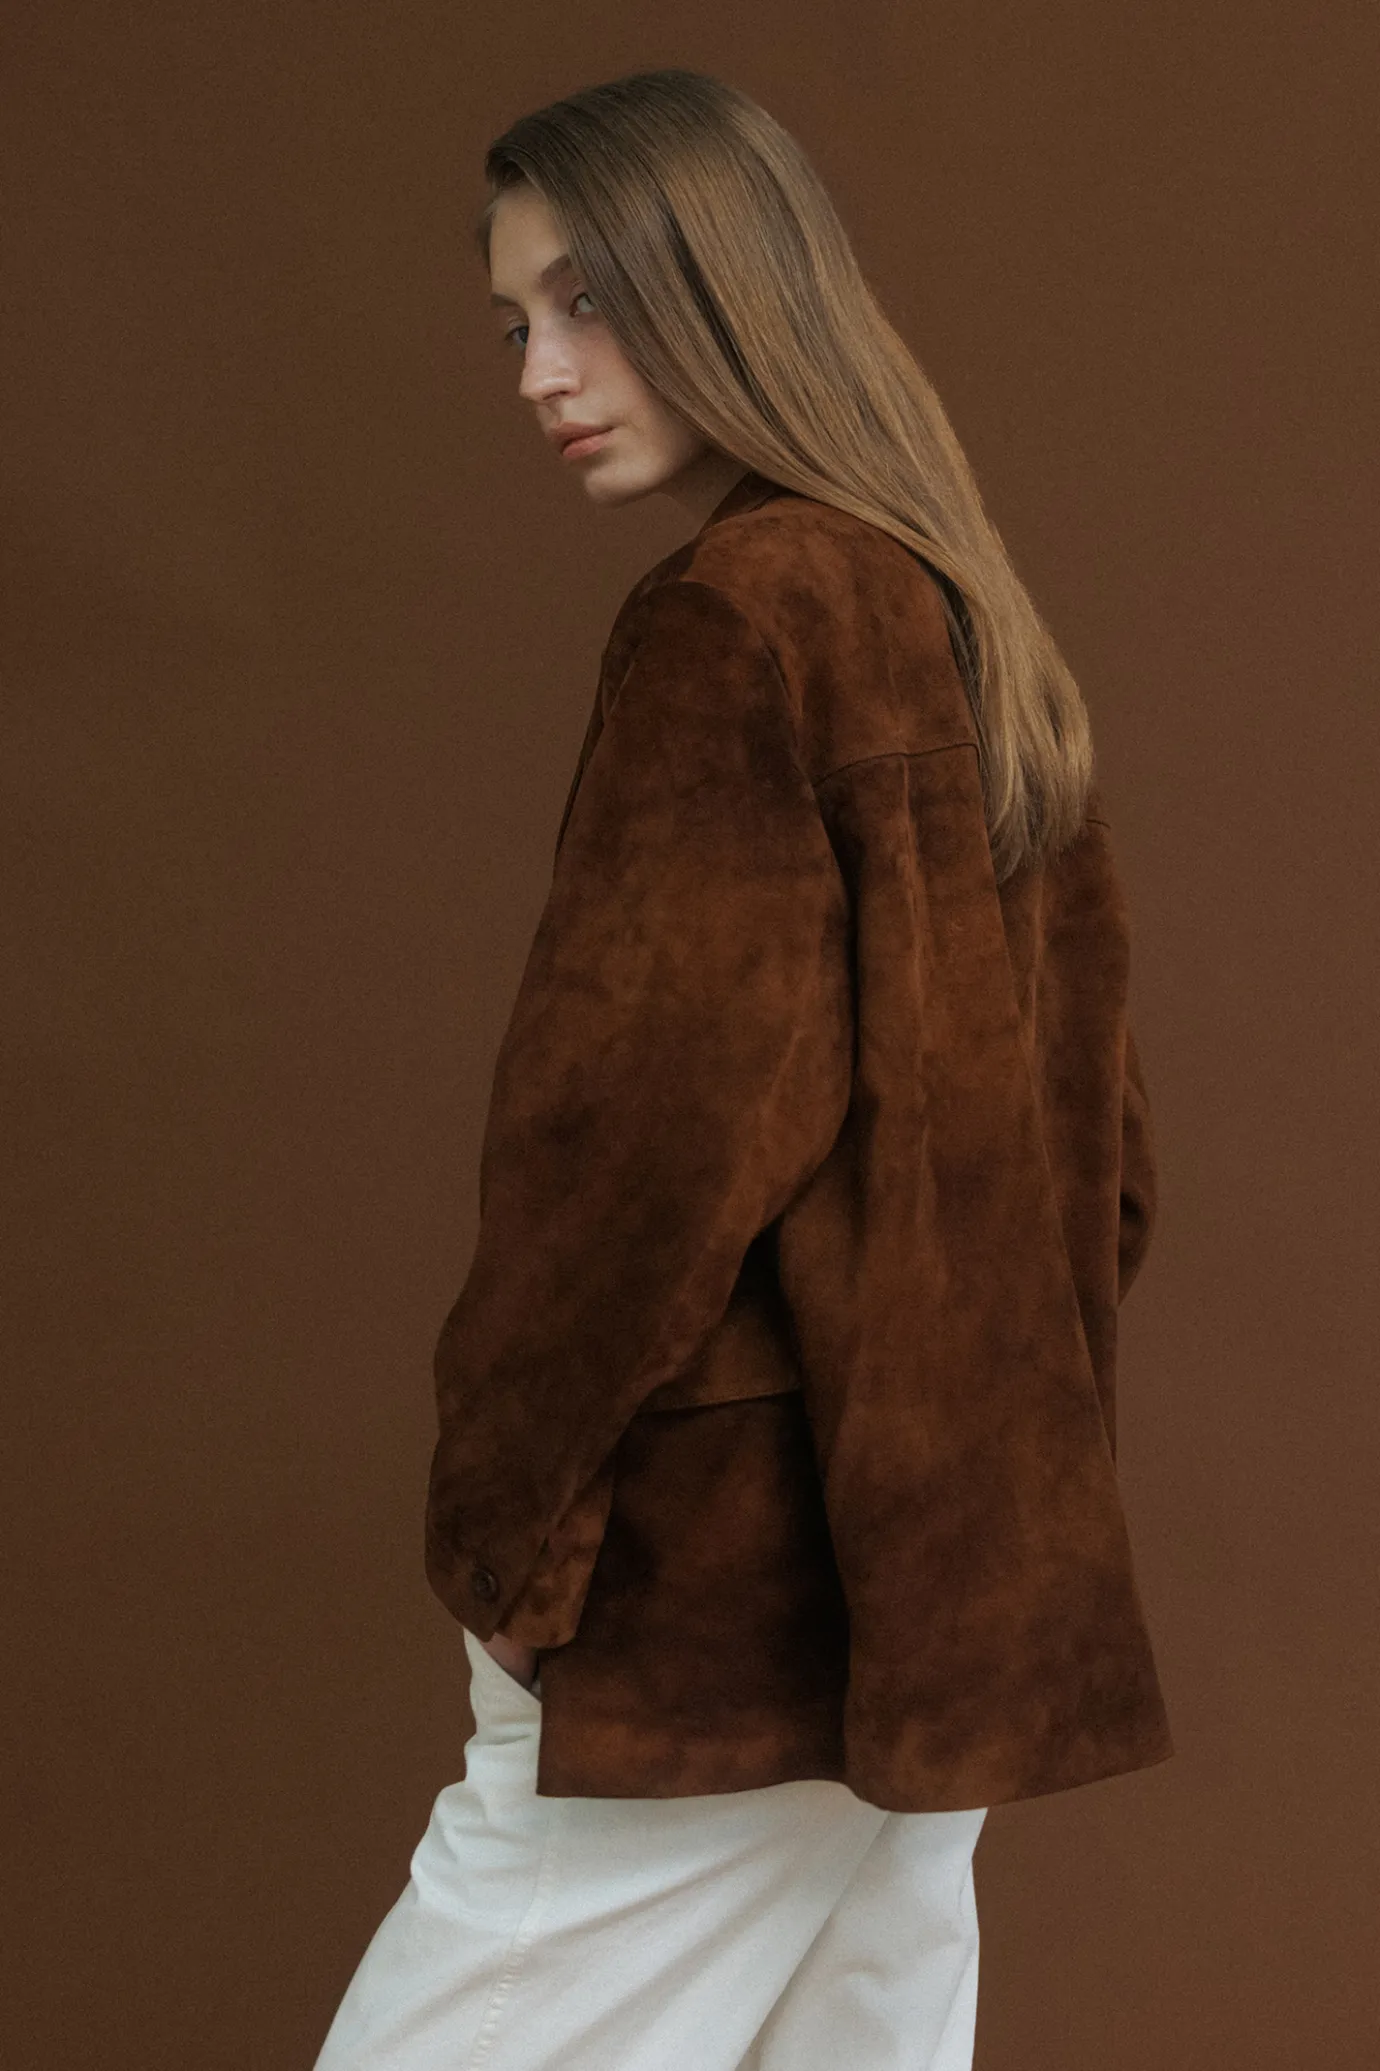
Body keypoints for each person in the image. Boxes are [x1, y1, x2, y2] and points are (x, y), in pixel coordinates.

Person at [312, 66, 1173, 2071]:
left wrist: (512, 1520)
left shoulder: (742, 618)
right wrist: (977, 1451)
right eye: (515, 323)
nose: (543, 370)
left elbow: (636, 1144)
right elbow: (1108, 1158)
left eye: (589, 300)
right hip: (942, 1573)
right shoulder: (962, 612)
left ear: (730, 285)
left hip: (715, 1593)